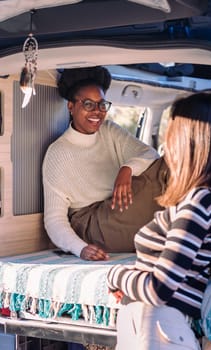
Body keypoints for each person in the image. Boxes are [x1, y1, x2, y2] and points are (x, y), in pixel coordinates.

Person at [107, 92, 211, 350]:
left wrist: (116, 275)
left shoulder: (198, 204)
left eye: (172, 130)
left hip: (157, 326)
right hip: (153, 325)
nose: (167, 142)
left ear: (189, 139)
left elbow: (158, 289)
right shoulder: (204, 199)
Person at [42, 66, 168, 261]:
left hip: (117, 205)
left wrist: (127, 169)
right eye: (88, 104)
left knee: (169, 165)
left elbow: (148, 154)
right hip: (91, 223)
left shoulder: (108, 130)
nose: (97, 112)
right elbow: (54, 220)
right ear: (71, 106)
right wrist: (80, 248)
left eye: (102, 105)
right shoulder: (58, 154)